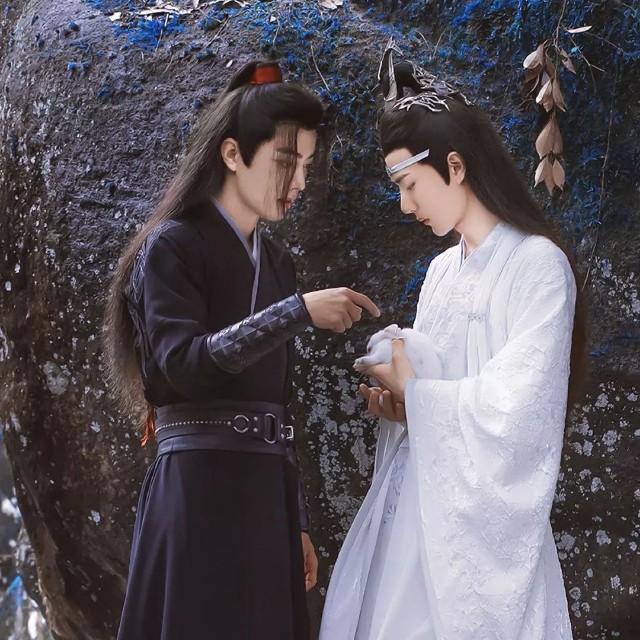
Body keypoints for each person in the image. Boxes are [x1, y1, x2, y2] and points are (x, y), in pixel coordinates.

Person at [103, 59, 380, 640]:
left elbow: (277, 402)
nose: (298, 182)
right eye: (285, 161)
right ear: (232, 154)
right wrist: (297, 311)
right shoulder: (172, 247)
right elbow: (183, 366)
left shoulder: (276, 261)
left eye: (306, 166)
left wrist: (296, 519)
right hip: (195, 487)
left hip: (264, 494)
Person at [319, 40, 586, 640]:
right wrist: (401, 406)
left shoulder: (538, 266)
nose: (405, 205)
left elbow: (521, 410)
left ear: (456, 167)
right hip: (418, 509)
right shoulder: (441, 272)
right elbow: (437, 387)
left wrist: (417, 392)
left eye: (411, 185)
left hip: (480, 530)